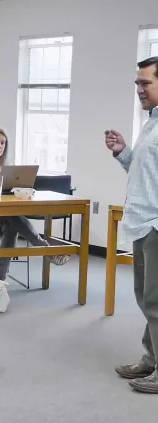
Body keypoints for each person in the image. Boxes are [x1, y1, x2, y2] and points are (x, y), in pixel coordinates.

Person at [105, 56, 158, 394]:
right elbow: (144, 175)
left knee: (156, 300)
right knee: (144, 295)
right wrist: (124, 152)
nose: (138, 89)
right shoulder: (151, 123)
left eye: (145, 83)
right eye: (138, 83)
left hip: (156, 224)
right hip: (141, 220)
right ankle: (151, 359)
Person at [0, 125, 70, 281]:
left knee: (12, 222)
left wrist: (23, 192)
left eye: (3, 143)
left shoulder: (6, 165)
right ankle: (46, 249)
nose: (0, 146)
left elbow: (11, 188)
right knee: (12, 218)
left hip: (1, 213)